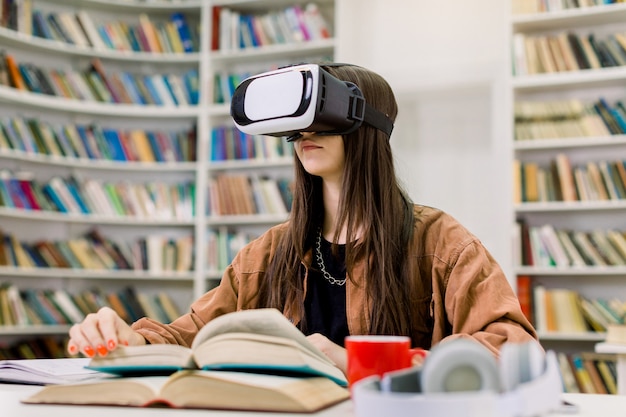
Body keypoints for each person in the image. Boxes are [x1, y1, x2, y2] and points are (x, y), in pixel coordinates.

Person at [67, 63, 537, 375]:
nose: (305, 134)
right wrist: (125, 337)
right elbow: (186, 336)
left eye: (323, 116)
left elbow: (512, 348)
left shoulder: (440, 244)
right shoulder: (268, 254)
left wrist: (364, 362)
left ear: (366, 125)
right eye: (297, 122)